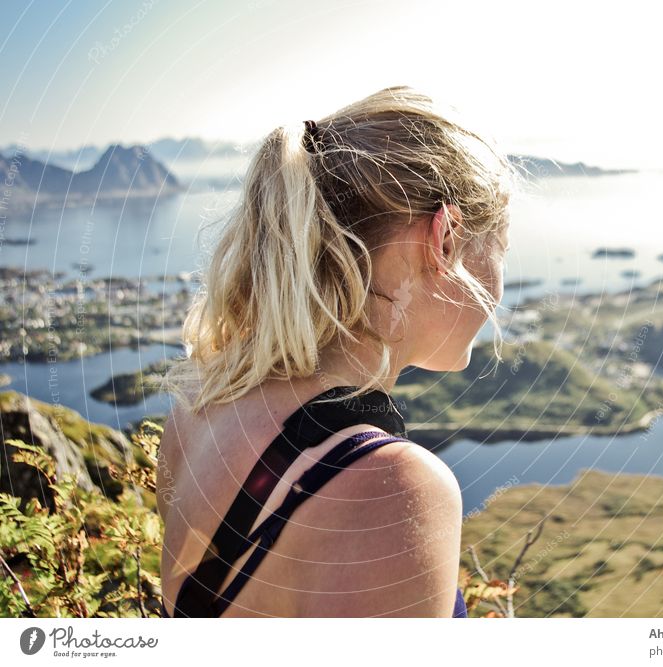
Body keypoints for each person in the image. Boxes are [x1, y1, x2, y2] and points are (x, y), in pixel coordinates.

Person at [157, 84, 515, 617]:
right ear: (443, 239)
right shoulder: (395, 488)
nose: (502, 282)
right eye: (500, 249)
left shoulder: (195, 416)